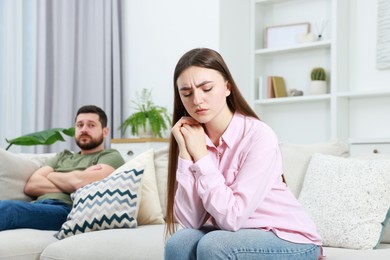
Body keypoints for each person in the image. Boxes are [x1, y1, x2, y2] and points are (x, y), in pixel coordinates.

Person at [164, 48, 323, 260]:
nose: (197, 100)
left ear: (227, 87)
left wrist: (201, 158)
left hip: (290, 238)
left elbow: (232, 217)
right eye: (187, 93)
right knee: (179, 243)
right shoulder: (193, 139)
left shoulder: (259, 136)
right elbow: (191, 221)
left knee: (214, 245)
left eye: (207, 88)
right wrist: (185, 153)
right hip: (240, 234)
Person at [0, 105, 125, 231]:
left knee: (9, 209)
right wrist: (74, 181)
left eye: (91, 125)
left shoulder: (110, 156)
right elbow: (31, 186)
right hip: (36, 206)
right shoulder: (62, 156)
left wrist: (51, 175)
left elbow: (79, 182)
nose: (84, 129)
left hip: (66, 211)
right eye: (80, 125)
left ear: (105, 131)